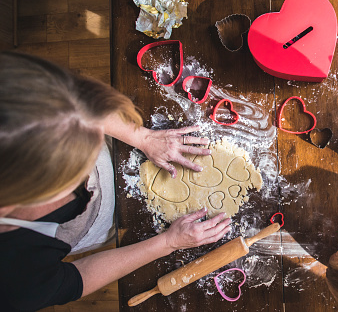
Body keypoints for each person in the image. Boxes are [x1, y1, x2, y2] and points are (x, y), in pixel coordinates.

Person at [0, 51, 231, 311]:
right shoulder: (12, 285)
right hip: (101, 225)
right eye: (75, 172)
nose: (89, 178)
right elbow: (78, 279)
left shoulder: (11, 98)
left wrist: (141, 137)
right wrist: (168, 243)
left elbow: (78, 103)